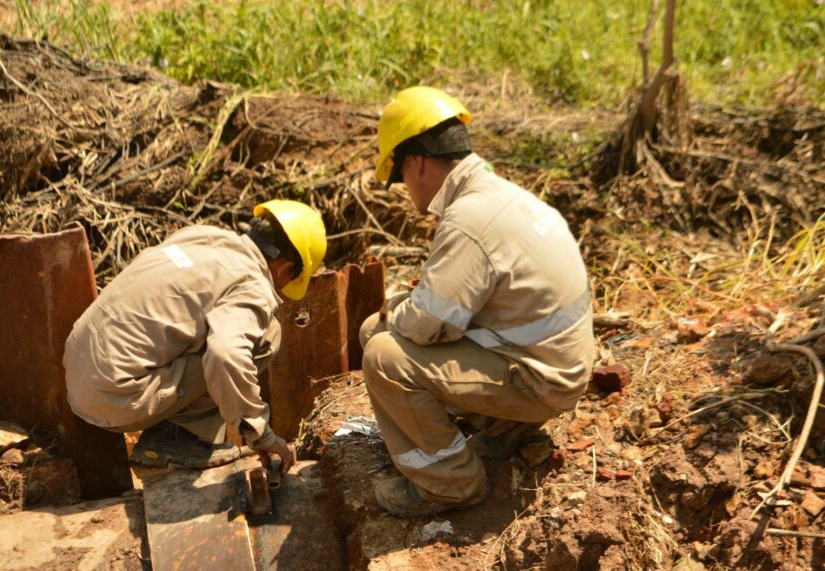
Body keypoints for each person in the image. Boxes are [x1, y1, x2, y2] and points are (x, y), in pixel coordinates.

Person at [360, 86, 594, 517]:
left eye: (400, 176)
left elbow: (424, 327)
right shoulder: (501, 197)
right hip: (554, 365)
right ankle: (505, 430)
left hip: (539, 380)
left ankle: (451, 483)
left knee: (382, 352)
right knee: (387, 333)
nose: (404, 188)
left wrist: (396, 308)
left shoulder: (469, 221)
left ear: (417, 163)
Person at [63, 200, 326, 473]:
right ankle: (178, 439)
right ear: (285, 268)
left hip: (78, 370)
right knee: (267, 335)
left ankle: (180, 430)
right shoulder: (252, 284)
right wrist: (259, 433)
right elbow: (227, 355)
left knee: (203, 328)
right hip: (114, 397)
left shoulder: (202, 236)